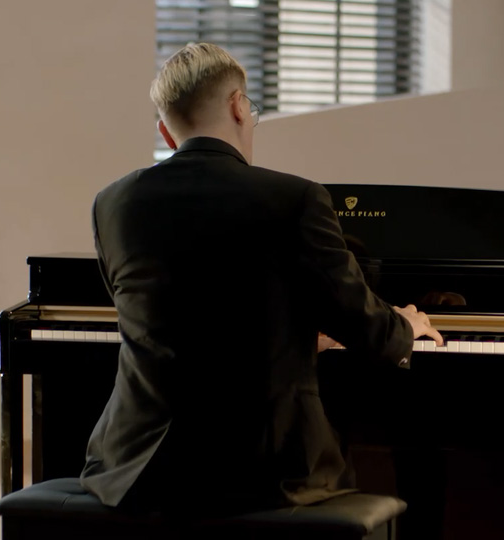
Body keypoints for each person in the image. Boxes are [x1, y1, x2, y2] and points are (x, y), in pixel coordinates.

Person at [79, 42, 443, 515]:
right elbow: (364, 326)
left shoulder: (112, 203)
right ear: (237, 106)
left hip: (136, 469)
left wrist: (291, 337)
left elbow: (174, 323)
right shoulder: (296, 199)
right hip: (263, 473)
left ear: (166, 132)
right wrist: (404, 325)